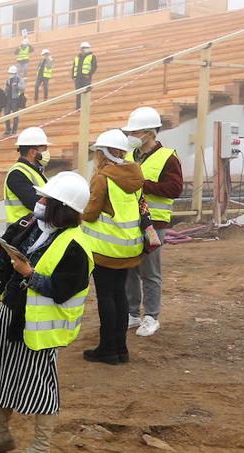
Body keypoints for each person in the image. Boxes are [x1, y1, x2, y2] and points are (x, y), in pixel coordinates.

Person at [0, 172, 94, 453]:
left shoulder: (75, 246)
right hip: (12, 313)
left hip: (40, 328)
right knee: (1, 374)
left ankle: (41, 447)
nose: (39, 203)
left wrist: (30, 275)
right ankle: (0, 434)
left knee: (41, 386)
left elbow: (64, 291)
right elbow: (8, 255)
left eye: (46, 200)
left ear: (62, 208)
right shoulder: (29, 224)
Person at [80, 129, 145, 364]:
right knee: (120, 295)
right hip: (129, 247)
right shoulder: (135, 175)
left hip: (105, 250)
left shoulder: (102, 177)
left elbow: (90, 213)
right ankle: (121, 348)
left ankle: (107, 349)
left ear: (104, 153)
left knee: (106, 296)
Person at [124, 106, 183, 338]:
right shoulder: (129, 156)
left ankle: (151, 316)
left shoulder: (168, 157)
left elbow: (175, 188)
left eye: (136, 132)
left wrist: (142, 184)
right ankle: (131, 313)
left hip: (154, 225)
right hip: (129, 223)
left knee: (150, 271)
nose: (132, 136)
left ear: (149, 132)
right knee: (129, 268)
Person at [3, 127, 50, 227]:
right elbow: (35, 204)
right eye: (44, 149)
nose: (46, 152)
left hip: (31, 230)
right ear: (33, 152)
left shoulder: (33, 170)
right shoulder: (17, 174)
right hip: (21, 232)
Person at [73, 41, 97, 109]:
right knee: (78, 92)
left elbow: (94, 66)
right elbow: (74, 66)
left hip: (86, 77)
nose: (84, 49)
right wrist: (73, 76)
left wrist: (89, 75)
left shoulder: (92, 56)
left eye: (86, 48)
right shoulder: (77, 57)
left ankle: (85, 106)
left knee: (86, 92)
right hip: (77, 77)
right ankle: (78, 107)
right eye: (83, 48)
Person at [5, 66, 25, 137]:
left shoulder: (19, 79)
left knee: (15, 115)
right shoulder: (8, 80)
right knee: (6, 114)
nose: (11, 74)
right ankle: (8, 130)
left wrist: (17, 86)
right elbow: (6, 89)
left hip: (15, 99)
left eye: (12, 73)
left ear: (15, 73)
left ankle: (14, 130)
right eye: (10, 73)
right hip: (8, 99)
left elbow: (23, 88)